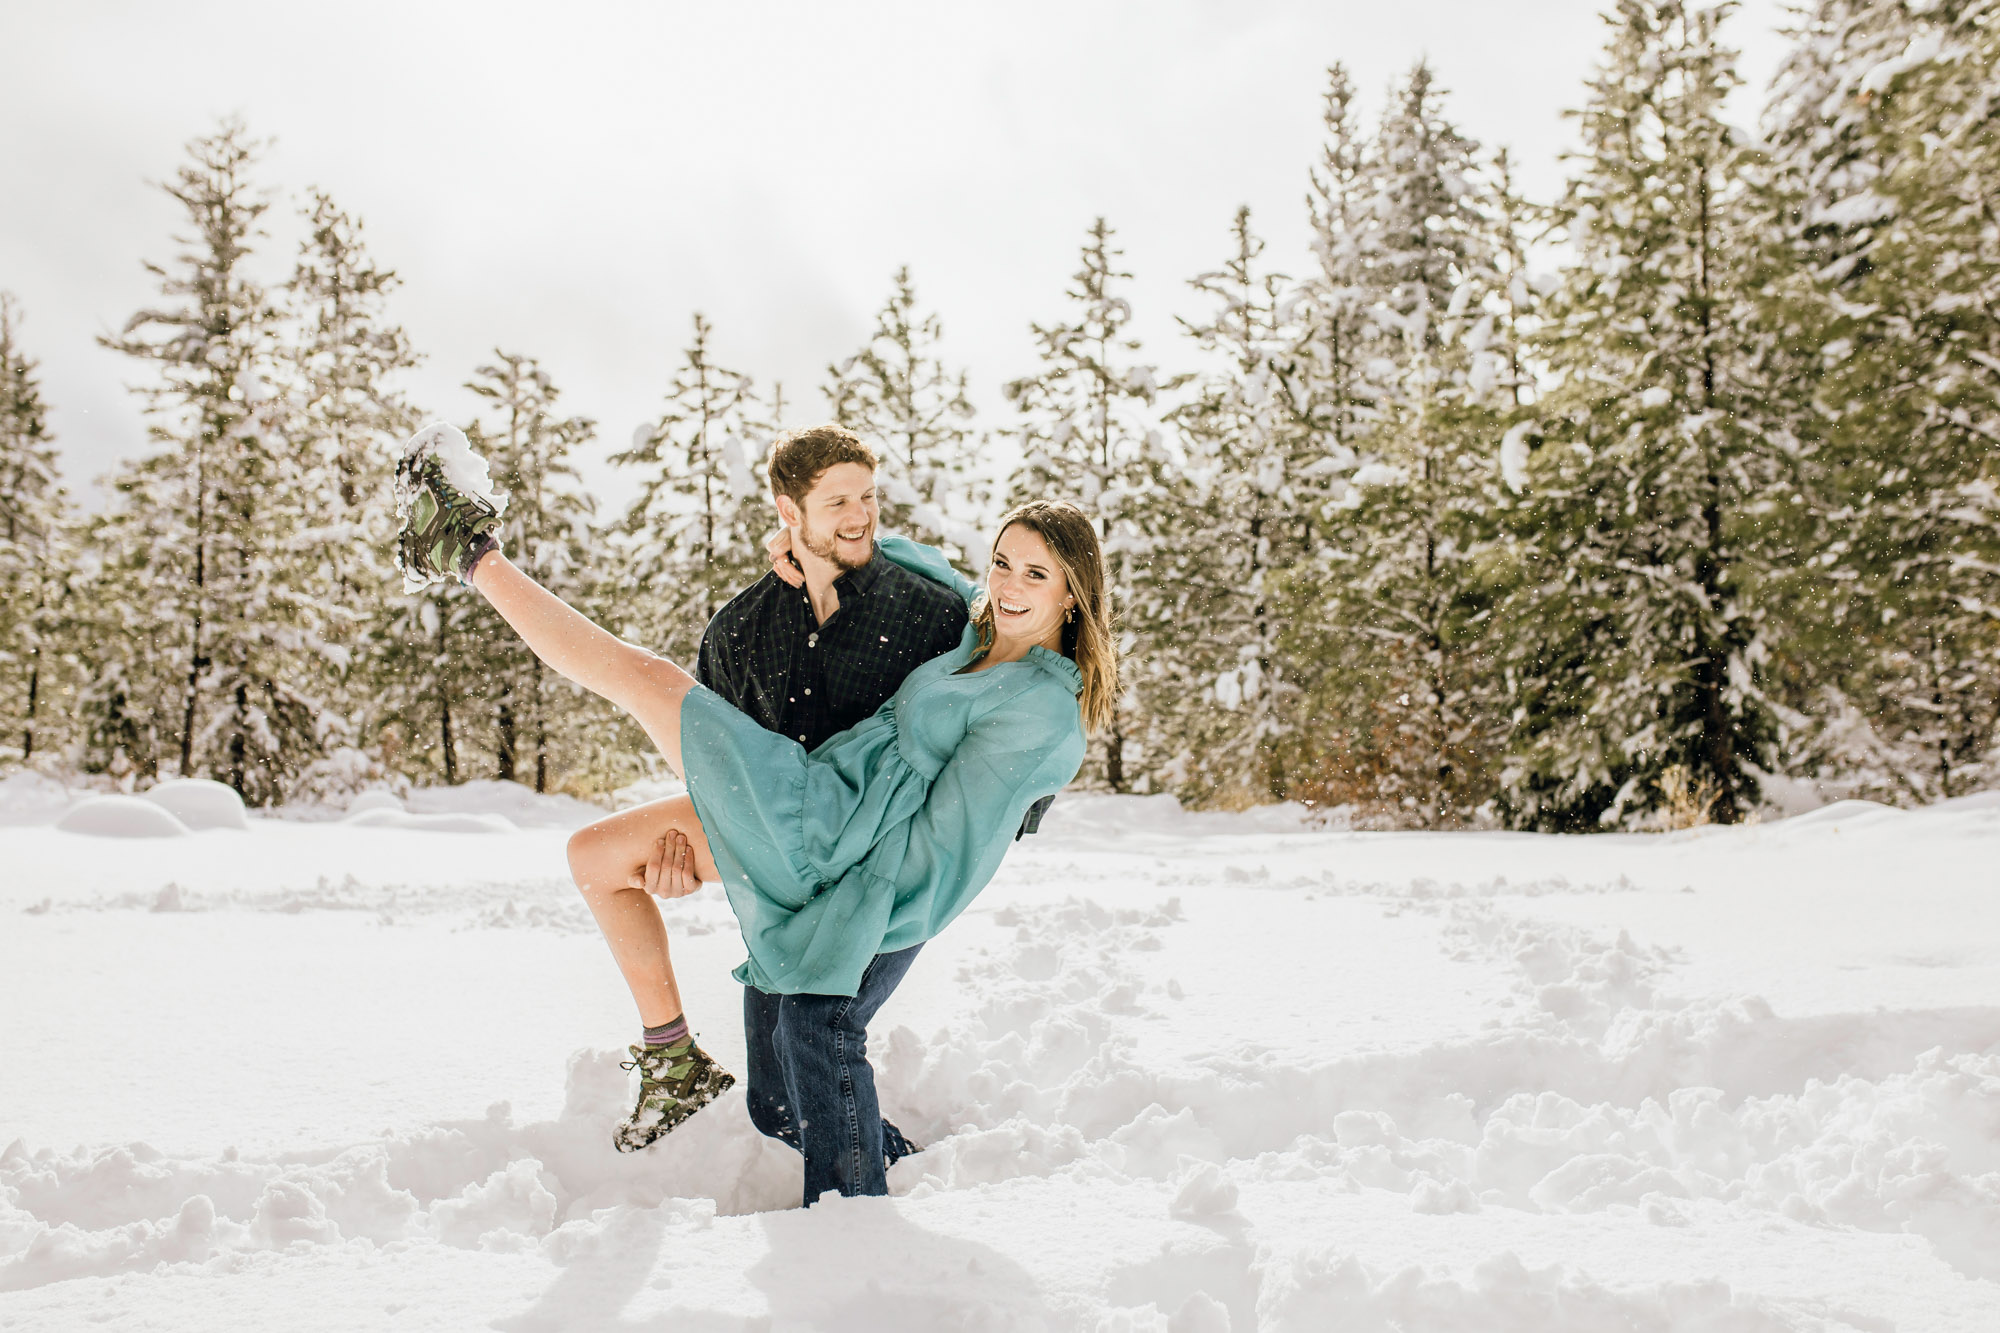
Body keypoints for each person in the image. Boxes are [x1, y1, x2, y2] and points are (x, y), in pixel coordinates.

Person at [391, 420, 1116, 1206]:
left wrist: (841, 921)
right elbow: (900, 554)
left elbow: (948, 854)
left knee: (649, 682)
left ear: (1072, 593)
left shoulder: (1043, 708)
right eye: (1003, 561)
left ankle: (469, 552)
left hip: (835, 839)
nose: (1008, 583)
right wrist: (802, 556)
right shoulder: (976, 628)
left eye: (1035, 575)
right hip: (822, 795)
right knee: (772, 1100)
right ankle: (888, 1157)